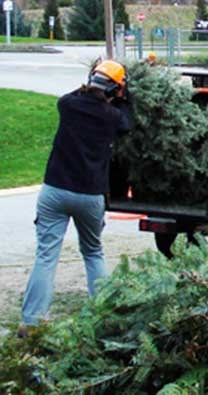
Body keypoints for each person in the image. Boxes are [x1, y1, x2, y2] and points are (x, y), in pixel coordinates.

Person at [18, 60, 133, 335]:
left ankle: (32, 321)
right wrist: (126, 96)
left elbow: (74, 94)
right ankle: (103, 313)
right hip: (90, 195)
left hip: (54, 191)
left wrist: (95, 79)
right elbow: (128, 122)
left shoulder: (67, 106)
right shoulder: (112, 117)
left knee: (46, 255)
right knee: (93, 252)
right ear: (115, 89)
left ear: (91, 79)